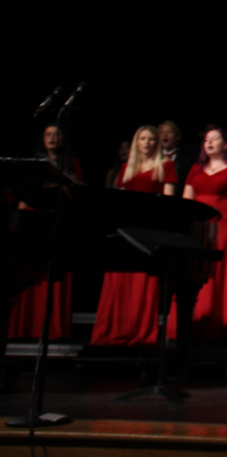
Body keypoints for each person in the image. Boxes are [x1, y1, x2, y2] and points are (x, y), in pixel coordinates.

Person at [91, 126, 178, 346]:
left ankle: (140, 331)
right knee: (120, 280)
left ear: (156, 143)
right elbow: (117, 201)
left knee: (142, 282)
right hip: (126, 229)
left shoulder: (165, 166)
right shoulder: (126, 168)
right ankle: (114, 330)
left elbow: (170, 204)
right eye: (143, 139)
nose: (147, 143)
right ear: (136, 143)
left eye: (151, 139)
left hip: (149, 230)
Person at [8, 125, 83, 340]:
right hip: (33, 217)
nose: (52, 138)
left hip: (57, 218)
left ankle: (51, 329)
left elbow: (76, 193)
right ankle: (25, 328)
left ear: (63, 139)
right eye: (48, 135)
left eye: (56, 134)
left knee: (51, 272)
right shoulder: (33, 164)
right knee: (27, 272)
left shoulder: (72, 163)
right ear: (42, 139)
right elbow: (23, 194)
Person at [182, 128, 227, 342]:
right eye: (206, 139)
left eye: (215, 139)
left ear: (225, 144)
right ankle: (194, 323)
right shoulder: (195, 169)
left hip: (223, 227)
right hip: (198, 228)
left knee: (219, 274)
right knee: (195, 274)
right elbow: (186, 200)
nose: (209, 142)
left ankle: (219, 326)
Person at [159, 120, 193, 187]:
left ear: (177, 136)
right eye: (161, 132)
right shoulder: (154, 156)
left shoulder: (186, 160)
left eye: (168, 132)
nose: (164, 135)